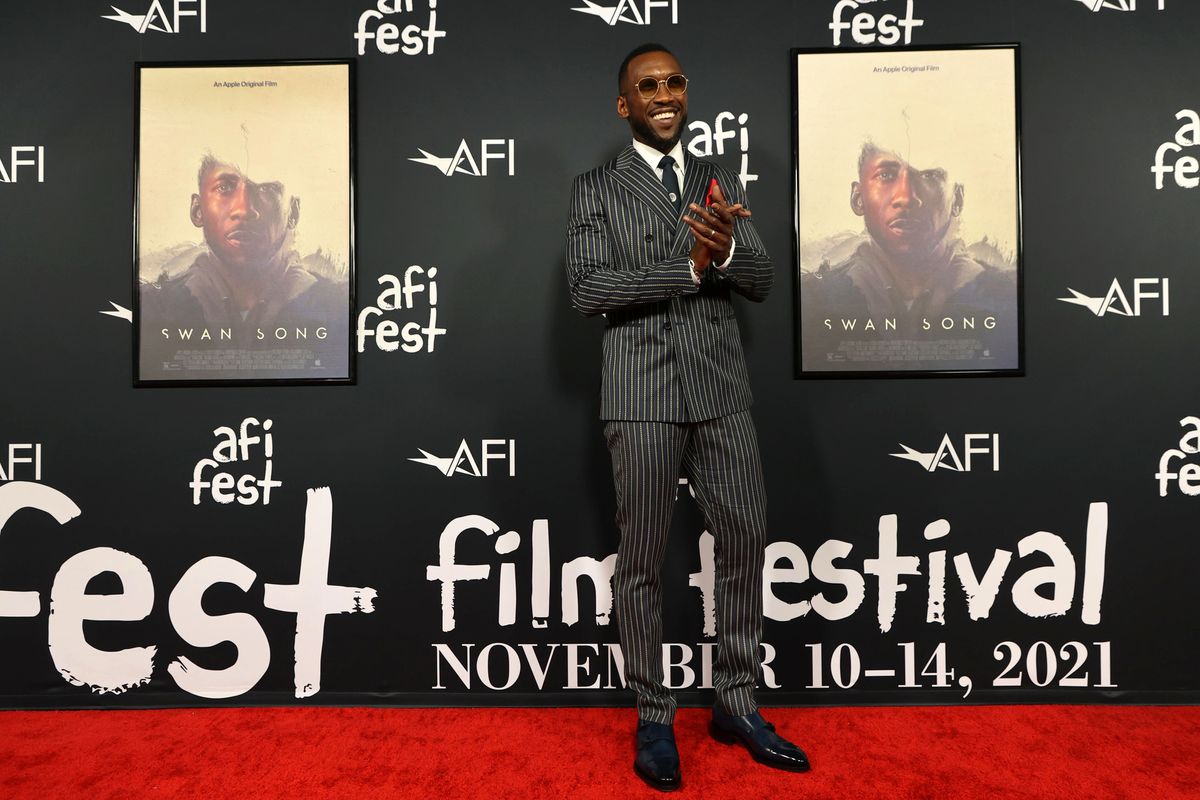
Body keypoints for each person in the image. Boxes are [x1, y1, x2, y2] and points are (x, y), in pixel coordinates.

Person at [565, 43, 809, 791]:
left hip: (721, 394)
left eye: (673, 82)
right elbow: (587, 288)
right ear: (624, 104)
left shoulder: (716, 179)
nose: (663, 94)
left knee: (743, 539)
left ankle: (735, 701)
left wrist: (730, 246)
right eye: (647, 86)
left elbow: (764, 279)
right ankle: (652, 712)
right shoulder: (594, 189)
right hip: (640, 396)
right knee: (641, 558)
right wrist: (691, 267)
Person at [801, 142, 1017, 368]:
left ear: (958, 199)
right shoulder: (813, 300)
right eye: (886, 175)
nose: (906, 197)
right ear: (858, 198)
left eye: (930, 176)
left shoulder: (1005, 297)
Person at [139, 155, 348, 378]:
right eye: (225, 187)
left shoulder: (340, 307)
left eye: (266, 190)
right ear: (197, 210)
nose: (245, 209)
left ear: (293, 212)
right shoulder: (150, 307)